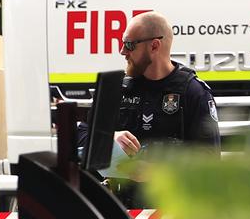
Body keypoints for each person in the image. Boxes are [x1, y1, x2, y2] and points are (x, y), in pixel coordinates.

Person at [78, 11, 220, 204]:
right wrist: (109, 136)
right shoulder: (116, 88)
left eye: (129, 44)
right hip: (121, 209)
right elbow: (81, 135)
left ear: (154, 45)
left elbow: (209, 161)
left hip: (173, 213)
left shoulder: (192, 92)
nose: (122, 51)